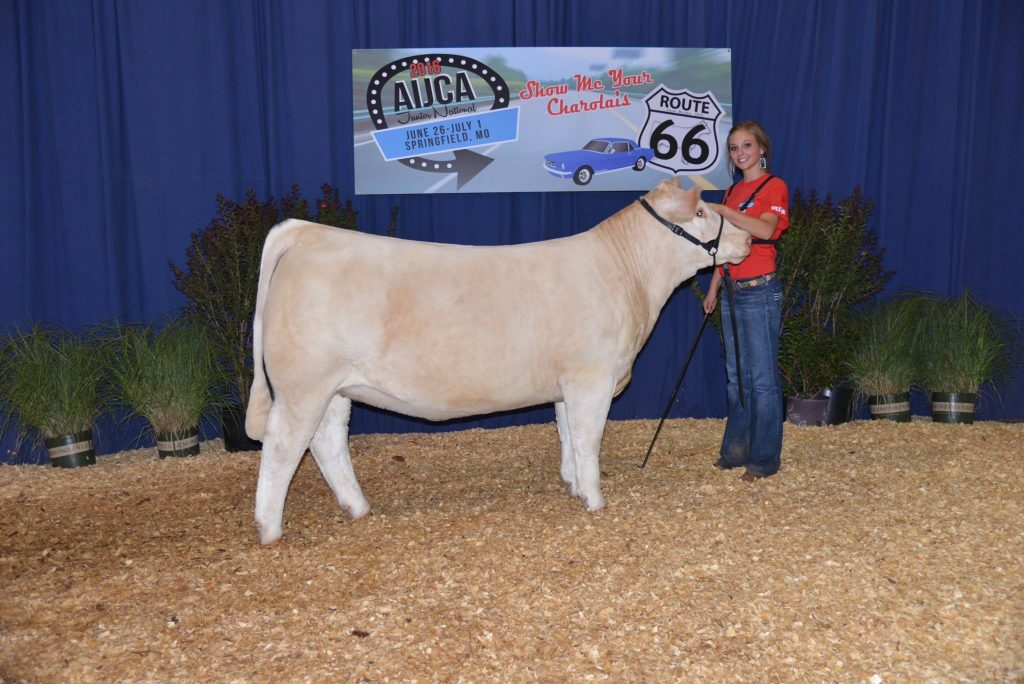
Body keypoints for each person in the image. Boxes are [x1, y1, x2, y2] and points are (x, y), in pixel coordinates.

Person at [703, 121, 790, 481]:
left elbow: (766, 229)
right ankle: (735, 451)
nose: (741, 153)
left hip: (759, 291)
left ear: (762, 149)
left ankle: (764, 459)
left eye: (747, 146)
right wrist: (713, 289)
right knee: (736, 377)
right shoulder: (731, 192)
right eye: (735, 148)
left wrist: (725, 213)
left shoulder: (774, 187)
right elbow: (726, 248)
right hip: (732, 291)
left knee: (763, 380)